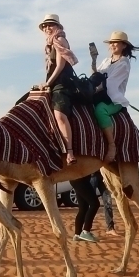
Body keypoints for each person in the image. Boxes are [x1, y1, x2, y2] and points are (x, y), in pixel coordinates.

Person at [39, 14, 83, 165]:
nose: (47, 28)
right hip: (53, 83)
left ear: (58, 27)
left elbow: (60, 66)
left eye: (50, 25)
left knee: (59, 115)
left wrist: (48, 84)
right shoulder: (50, 44)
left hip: (62, 84)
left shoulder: (59, 40)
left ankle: (70, 152)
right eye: (44, 26)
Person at [94, 30, 139, 162]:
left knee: (100, 110)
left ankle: (111, 145)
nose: (113, 45)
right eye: (111, 42)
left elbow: (110, 83)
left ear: (124, 45)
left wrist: (95, 88)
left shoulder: (123, 63)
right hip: (99, 95)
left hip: (114, 100)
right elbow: (96, 76)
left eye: (116, 42)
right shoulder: (106, 61)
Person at [69, 174, 101, 242]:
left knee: (83, 208)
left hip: (76, 179)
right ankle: (86, 231)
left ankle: (77, 234)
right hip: (80, 179)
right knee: (95, 204)